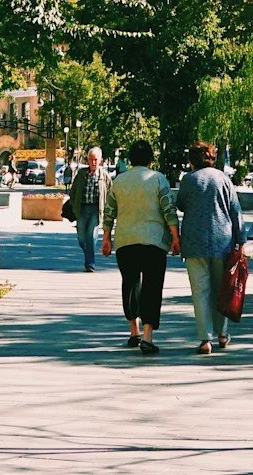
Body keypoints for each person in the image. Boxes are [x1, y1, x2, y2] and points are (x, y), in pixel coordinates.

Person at [102, 138, 176, 354]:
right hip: (154, 241)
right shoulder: (158, 180)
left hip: (126, 240)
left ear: (130, 159)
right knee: (152, 287)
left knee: (130, 284)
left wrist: (106, 238)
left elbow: (109, 212)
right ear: (150, 159)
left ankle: (133, 331)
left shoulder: (119, 182)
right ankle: (147, 336)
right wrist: (175, 236)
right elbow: (168, 210)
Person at [176, 141, 244, 355]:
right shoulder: (224, 180)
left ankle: (205, 339)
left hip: (194, 242)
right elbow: (236, 211)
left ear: (192, 161)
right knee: (220, 290)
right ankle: (222, 334)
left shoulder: (188, 180)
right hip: (222, 242)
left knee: (200, 292)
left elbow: (180, 204)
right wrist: (241, 241)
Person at [68, 147, 112, 271]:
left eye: (95, 160)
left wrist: (109, 212)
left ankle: (90, 264)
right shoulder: (81, 174)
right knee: (82, 238)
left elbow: (110, 194)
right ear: (87, 160)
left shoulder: (104, 176)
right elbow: (73, 191)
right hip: (82, 208)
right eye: (91, 159)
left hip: (96, 210)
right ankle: (88, 253)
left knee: (91, 236)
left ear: (100, 161)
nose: (93, 162)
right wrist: (74, 204)